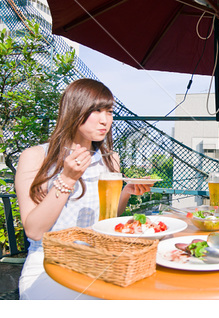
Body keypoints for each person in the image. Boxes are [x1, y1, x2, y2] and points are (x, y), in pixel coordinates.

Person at [15, 79, 152, 300]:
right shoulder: (36, 157)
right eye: (96, 110)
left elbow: (107, 219)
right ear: (75, 110)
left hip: (98, 260)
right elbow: (34, 231)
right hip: (49, 262)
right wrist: (67, 178)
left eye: (109, 111)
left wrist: (126, 192)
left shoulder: (110, 159)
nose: (105, 120)